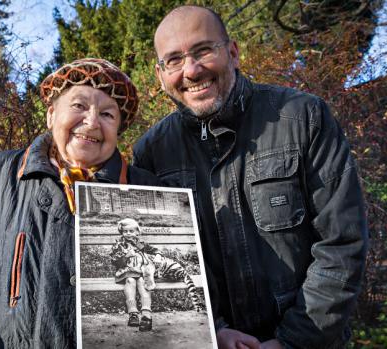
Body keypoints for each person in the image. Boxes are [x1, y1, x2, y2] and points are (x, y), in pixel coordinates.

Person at [133, 6, 368, 349]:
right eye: (174, 60)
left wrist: (291, 342)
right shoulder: (152, 152)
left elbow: (342, 242)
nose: (192, 70)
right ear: (160, 75)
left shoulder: (303, 118)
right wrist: (211, 330)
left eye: (203, 51)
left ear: (233, 52)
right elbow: (159, 262)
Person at [0, 58, 160, 349]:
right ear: (50, 115)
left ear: (118, 129)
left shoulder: (149, 191)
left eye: (108, 114)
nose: (93, 121)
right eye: (79, 106)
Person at [110, 218, 159, 331]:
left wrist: (158, 256)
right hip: (125, 272)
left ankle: (146, 315)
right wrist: (126, 256)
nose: (128, 234)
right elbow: (114, 261)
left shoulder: (140, 244)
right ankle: (133, 313)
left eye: (131, 231)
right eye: (125, 231)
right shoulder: (119, 245)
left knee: (142, 281)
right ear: (121, 232)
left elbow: (155, 250)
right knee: (131, 280)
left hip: (142, 271)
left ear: (137, 232)